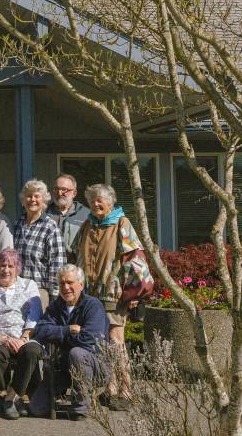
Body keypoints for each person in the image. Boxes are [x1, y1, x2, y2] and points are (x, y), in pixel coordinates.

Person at [72, 183, 153, 410]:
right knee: (101, 341)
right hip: (89, 294)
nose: (96, 204)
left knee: (116, 341)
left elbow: (136, 260)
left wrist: (136, 293)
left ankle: (126, 390)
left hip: (112, 293)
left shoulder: (121, 223)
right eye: (92, 200)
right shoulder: (87, 224)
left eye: (100, 200)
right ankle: (111, 388)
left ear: (111, 202)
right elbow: (75, 254)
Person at [29, 264, 110, 420]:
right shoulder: (56, 306)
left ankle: (82, 407)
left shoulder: (93, 306)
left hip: (95, 366)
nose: (66, 287)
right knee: (36, 408)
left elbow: (90, 339)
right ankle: (64, 396)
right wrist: (68, 329)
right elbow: (41, 331)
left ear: (81, 284)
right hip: (63, 366)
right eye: (62, 283)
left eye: (70, 282)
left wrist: (59, 336)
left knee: (77, 353)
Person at [0, 248, 42, 419]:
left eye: (10, 266)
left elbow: (35, 314)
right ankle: (8, 394)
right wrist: (1, 339)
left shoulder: (29, 285)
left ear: (17, 268)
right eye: (2, 265)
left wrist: (23, 338)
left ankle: (10, 397)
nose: (6, 270)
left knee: (32, 351)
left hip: (24, 337)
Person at [13, 179, 66, 308]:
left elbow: (57, 264)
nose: (32, 199)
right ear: (23, 200)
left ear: (44, 201)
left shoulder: (50, 227)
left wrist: (55, 296)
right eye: (29, 196)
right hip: (17, 289)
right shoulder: (17, 224)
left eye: (37, 196)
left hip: (39, 291)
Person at [48, 173, 91, 253]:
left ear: (74, 193)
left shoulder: (86, 215)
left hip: (75, 261)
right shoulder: (44, 214)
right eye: (56, 189)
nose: (59, 193)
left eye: (64, 189)